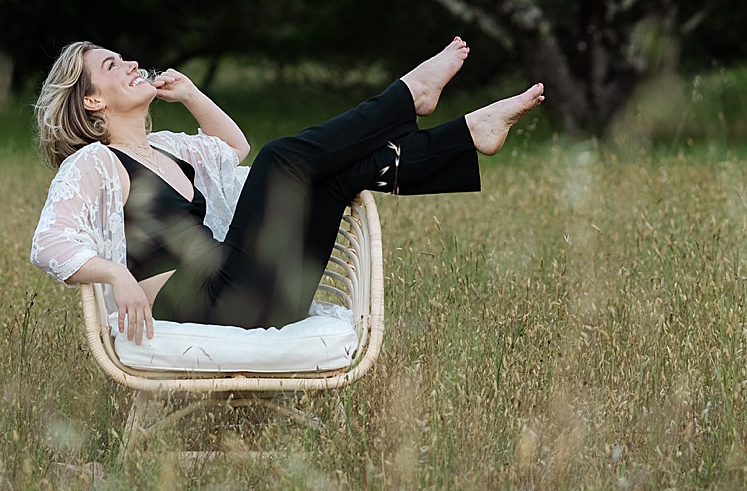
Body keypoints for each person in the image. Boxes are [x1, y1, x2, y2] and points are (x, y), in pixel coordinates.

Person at [30, 37, 544, 343]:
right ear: (93, 103)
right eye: (110, 67)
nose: (130, 65)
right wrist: (115, 274)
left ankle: (466, 133)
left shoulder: (168, 149)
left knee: (334, 179)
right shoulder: (94, 163)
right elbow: (48, 244)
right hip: (199, 303)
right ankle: (414, 98)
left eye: (124, 58)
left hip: (256, 295)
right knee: (280, 159)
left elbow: (233, 146)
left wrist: (190, 94)